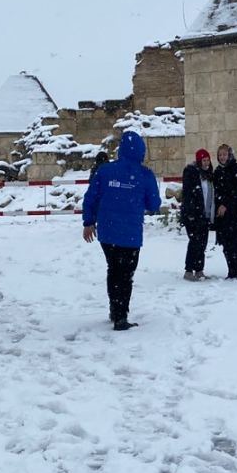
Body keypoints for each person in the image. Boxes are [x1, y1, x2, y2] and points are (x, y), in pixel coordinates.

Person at [82, 130, 161, 331]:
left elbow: (90, 197)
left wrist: (88, 222)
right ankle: (121, 316)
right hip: (131, 234)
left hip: (107, 233)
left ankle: (114, 309)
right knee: (125, 274)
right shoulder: (145, 175)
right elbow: (153, 204)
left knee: (114, 269)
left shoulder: (105, 171)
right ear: (141, 151)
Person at [213, 143, 237, 279]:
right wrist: (218, 206)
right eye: (220, 155)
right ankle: (232, 270)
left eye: (224, 154)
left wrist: (226, 204)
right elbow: (216, 191)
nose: (222, 157)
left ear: (229, 155)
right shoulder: (217, 172)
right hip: (223, 216)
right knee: (226, 244)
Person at [180, 148, 215, 280]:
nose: (206, 163)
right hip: (193, 214)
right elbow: (188, 194)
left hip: (205, 214)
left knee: (203, 243)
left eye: (207, 160)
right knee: (195, 241)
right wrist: (190, 213)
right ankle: (188, 270)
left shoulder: (209, 175)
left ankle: (199, 270)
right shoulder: (191, 173)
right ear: (199, 161)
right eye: (204, 160)